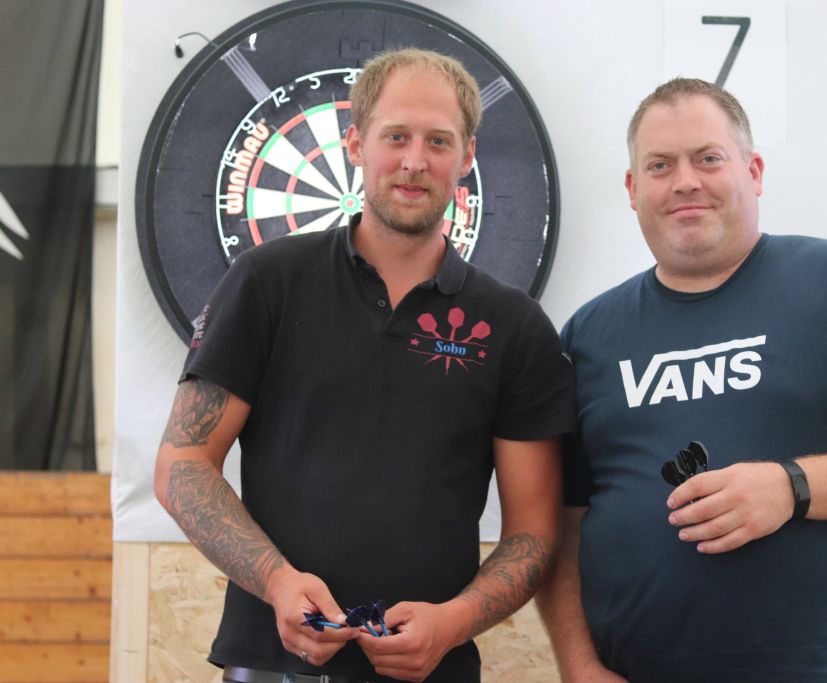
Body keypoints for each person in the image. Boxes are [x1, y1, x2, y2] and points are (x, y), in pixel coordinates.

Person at [536, 78, 827, 682]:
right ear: (633, 188)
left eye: (708, 158)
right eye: (660, 165)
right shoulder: (588, 334)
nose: (685, 181)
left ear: (753, 172)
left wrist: (791, 487)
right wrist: (578, 666)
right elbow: (561, 523)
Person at [153, 48, 575, 683]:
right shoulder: (269, 282)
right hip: (272, 666)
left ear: (467, 157)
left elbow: (534, 533)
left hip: (431, 672)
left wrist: (454, 622)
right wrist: (276, 582)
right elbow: (182, 466)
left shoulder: (515, 326)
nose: (414, 161)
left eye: (438, 141)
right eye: (395, 136)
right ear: (355, 143)